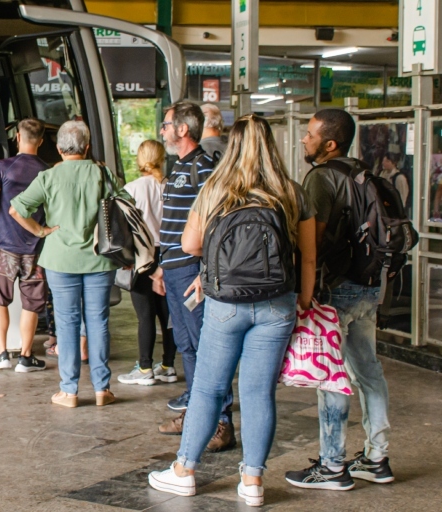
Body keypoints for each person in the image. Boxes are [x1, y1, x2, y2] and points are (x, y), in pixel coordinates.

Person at [147, 114, 316, 507]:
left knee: (208, 388)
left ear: (231, 144)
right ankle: (253, 482)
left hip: (225, 302)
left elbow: (190, 244)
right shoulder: (291, 191)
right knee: (259, 393)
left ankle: (184, 471)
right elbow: (307, 257)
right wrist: (303, 301)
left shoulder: (217, 188)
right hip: (278, 303)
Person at [285, 108, 395, 490]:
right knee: (368, 370)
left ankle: (332, 466)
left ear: (329, 143)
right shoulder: (364, 172)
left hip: (336, 288)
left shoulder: (321, 178)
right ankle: (377, 457)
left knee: (331, 375)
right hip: (369, 285)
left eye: (310, 133)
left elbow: (310, 241)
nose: (304, 138)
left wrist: (305, 289)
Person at [10, 120, 128, 408]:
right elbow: (126, 203)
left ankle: (70, 391)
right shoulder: (102, 172)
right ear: (86, 147)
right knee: (98, 322)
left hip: (60, 259)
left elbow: (16, 209)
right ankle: (102, 389)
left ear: (60, 149)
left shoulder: (49, 177)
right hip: (100, 258)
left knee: (66, 323)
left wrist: (41, 231)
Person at [152, 102, 235, 451]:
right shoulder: (177, 168)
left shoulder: (204, 167)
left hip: (190, 271)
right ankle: (195, 410)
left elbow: (215, 223)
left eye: (167, 124)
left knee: (206, 345)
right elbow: (172, 226)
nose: (162, 130)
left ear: (183, 130)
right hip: (171, 269)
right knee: (185, 344)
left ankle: (222, 422)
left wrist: (204, 271)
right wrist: (159, 265)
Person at [0, 118, 50, 373]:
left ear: (17, 137)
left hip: (5, 248)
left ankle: (1, 353)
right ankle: (26, 358)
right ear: (40, 142)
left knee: (1, 301)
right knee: (31, 303)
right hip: (36, 250)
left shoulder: (1, 167)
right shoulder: (47, 171)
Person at [116, 140, 177, 385]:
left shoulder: (132, 189)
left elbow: (124, 230)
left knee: (145, 316)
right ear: (162, 159)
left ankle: (144, 369)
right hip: (170, 257)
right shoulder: (172, 187)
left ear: (139, 161)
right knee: (167, 315)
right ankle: (168, 365)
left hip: (143, 258)